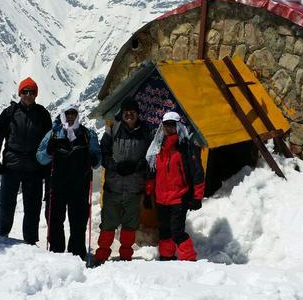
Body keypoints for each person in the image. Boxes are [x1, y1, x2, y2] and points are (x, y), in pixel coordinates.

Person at [0, 77, 52, 245]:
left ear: (36, 95)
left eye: (32, 92)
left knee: (32, 206)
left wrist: (47, 164)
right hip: (12, 164)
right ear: (20, 93)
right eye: (25, 92)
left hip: (34, 166)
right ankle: (2, 234)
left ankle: (30, 240)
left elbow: (49, 141)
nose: (28, 95)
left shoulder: (42, 114)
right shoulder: (10, 112)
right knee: (6, 203)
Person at [92, 97, 153, 266]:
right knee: (108, 224)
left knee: (130, 225)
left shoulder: (146, 132)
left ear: (137, 114)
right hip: (113, 186)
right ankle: (101, 255)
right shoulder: (113, 129)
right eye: (126, 112)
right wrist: (114, 166)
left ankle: (126, 256)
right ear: (122, 113)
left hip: (134, 187)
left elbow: (150, 158)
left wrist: (137, 166)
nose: (129, 115)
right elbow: (103, 152)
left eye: (132, 112)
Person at [36, 105, 100, 260]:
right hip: (58, 185)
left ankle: (76, 254)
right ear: (63, 115)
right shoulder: (53, 134)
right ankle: (56, 253)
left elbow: (97, 160)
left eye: (73, 113)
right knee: (55, 221)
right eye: (68, 114)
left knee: (78, 221)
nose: (70, 117)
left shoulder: (87, 134)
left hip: (79, 185)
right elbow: (40, 158)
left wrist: (94, 158)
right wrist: (48, 151)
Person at [145, 111, 205, 261]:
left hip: (179, 197)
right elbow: (152, 172)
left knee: (177, 232)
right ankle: (166, 257)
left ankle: (189, 259)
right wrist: (148, 193)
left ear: (178, 126)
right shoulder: (157, 147)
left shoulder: (186, 147)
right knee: (164, 231)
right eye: (166, 125)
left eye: (172, 125)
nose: (169, 128)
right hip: (161, 198)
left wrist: (197, 197)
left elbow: (197, 173)